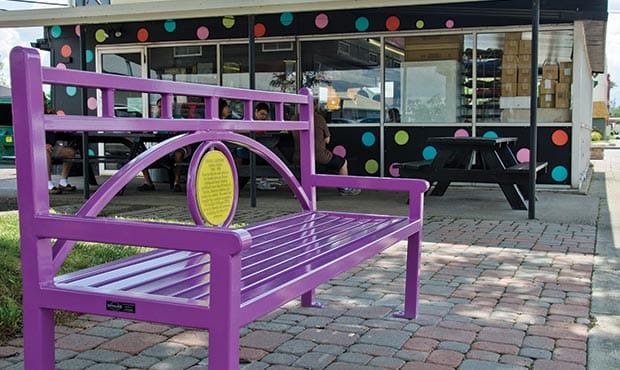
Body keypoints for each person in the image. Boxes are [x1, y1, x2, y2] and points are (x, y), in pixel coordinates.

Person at [293, 108, 361, 196]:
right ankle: (345, 188)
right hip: (319, 156)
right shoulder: (319, 119)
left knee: (306, 166)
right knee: (343, 163)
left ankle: (301, 191)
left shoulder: (295, 118)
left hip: (299, 156)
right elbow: (327, 140)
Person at [137, 98, 192, 193]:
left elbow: (187, 133)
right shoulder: (156, 120)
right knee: (140, 153)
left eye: (164, 107)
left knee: (178, 154)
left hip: (179, 146)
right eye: (159, 107)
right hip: (162, 148)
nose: (161, 109)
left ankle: (177, 182)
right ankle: (148, 182)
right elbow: (147, 130)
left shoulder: (178, 119)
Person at [44, 95, 77, 194]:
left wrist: (56, 119)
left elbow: (56, 131)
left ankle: (63, 182)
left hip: (53, 145)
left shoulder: (49, 112)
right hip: (36, 147)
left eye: (43, 99)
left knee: (70, 152)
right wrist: (43, 143)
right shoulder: (30, 112)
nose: (43, 102)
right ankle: (48, 183)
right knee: (46, 151)